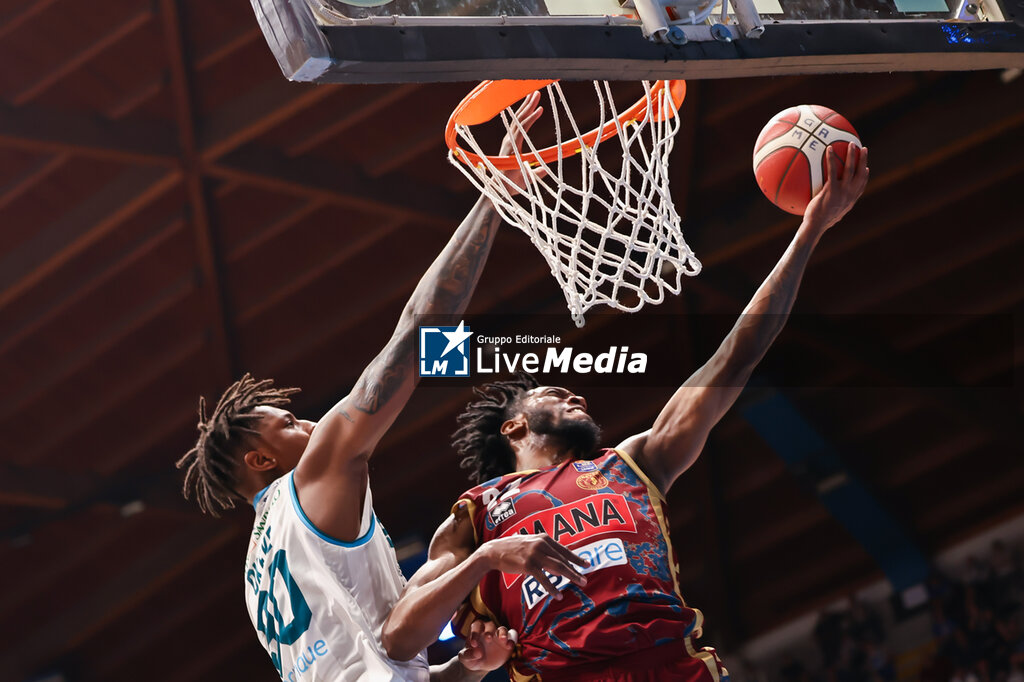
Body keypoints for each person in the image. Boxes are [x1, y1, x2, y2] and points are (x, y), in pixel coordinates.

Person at [383, 145, 871, 681]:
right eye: (555, 393)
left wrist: (812, 229)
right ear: (514, 426)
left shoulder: (634, 462)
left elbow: (738, 354)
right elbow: (399, 636)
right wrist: (486, 559)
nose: (578, 398)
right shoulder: (475, 517)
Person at [175, 95, 587, 681]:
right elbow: (417, 334)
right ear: (262, 458)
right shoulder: (313, 477)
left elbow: (389, 657)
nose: (314, 425)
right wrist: (499, 193)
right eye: (290, 425)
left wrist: (467, 672)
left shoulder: (258, 572)